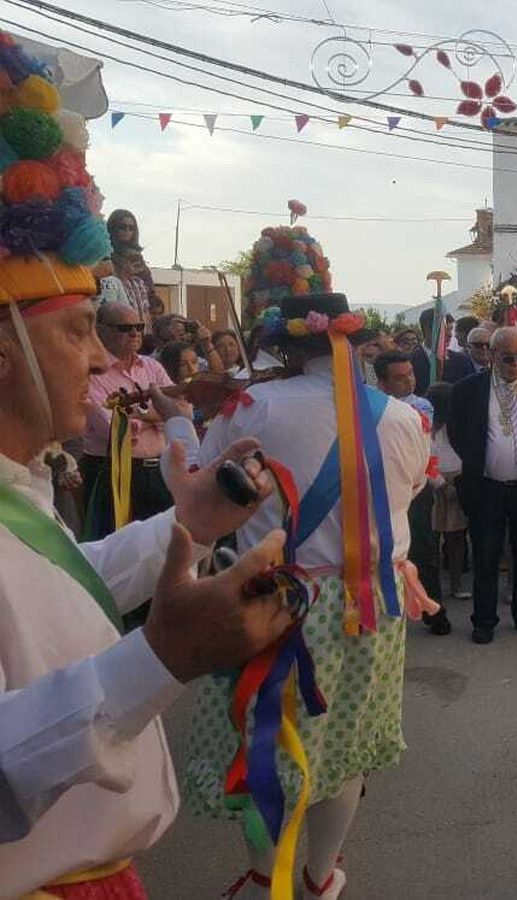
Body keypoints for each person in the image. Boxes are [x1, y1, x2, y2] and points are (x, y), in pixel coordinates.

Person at [0, 66, 293, 889]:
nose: (102, 358)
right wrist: (162, 655)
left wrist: (188, 523)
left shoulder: (15, 486)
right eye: (82, 332)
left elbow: (65, 584)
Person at [182, 230, 432, 899]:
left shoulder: (254, 406)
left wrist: (177, 426)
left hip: (274, 605)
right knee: (345, 751)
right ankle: (321, 876)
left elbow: (201, 491)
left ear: (290, 346)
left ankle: (271, 880)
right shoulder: (405, 419)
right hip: (368, 611)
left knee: (264, 748)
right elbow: (406, 500)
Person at [449, 327, 517, 643]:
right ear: (493, 356)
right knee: (486, 556)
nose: (516, 364)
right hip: (486, 488)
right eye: (508, 358)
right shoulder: (467, 390)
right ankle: (484, 620)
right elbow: (458, 435)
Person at [83, 301, 175, 540]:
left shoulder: (152, 367)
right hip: (111, 472)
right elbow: (113, 428)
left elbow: (179, 410)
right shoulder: (92, 371)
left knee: (162, 544)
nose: (135, 332)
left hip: (158, 470)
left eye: (138, 326)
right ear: (101, 330)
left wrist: (138, 415)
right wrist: (157, 417)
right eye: (124, 328)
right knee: (115, 544)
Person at [374, 351, 450, 637]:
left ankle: (435, 609)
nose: (409, 380)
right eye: (399, 376)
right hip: (380, 490)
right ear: (381, 382)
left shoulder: (421, 405)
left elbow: (422, 448)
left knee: (424, 549)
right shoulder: (368, 406)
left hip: (416, 486)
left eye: (410, 374)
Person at [426, 382, 470, 605]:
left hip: (458, 481)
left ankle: (456, 584)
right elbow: (425, 461)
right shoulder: (426, 428)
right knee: (431, 540)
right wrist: (442, 485)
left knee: (457, 538)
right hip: (435, 486)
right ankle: (430, 587)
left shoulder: (460, 424)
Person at [107, 209, 159, 323]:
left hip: (139, 309)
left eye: (131, 228)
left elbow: (149, 287)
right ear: (113, 228)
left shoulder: (136, 255)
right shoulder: (105, 253)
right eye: (123, 227)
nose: (127, 231)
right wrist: (123, 275)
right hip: (116, 310)